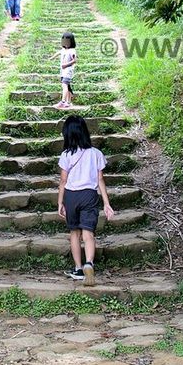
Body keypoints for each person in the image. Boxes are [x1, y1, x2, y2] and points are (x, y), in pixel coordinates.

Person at [57, 115, 114, 286]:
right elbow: (100, 180)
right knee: (88, 233)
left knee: (74, 233)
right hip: (89, 195)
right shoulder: (96, 153)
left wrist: (60, 202)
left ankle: (78, 268)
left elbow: (63, 182)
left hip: (71, 196)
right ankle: (89, 262)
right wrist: (106, 203)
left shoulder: (66, 155)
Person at [55, 32, 76, 109]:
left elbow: (74, 60)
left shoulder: (72, 51)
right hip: (63, 72)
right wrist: (52, 57)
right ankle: (68, 102)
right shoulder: (64, 49)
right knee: (68, 86)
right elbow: (58, 52)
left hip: (68, 72)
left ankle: (63, 102)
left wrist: (65, 65)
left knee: (64, 85)